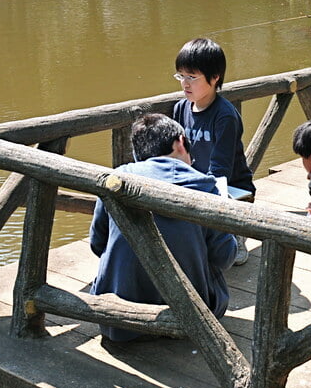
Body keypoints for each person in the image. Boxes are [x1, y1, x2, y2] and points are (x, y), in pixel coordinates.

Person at [88, 114, 237, 342]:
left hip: (119, 320)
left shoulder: (115, 179)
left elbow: (98, 244)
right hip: (191, 319)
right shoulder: (205, 187)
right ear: (179, 142)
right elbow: (224, 257)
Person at [171, 37, 254, 265]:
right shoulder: (180, 108)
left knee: (226, 255)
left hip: (232, 187)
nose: (185, 84)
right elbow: (175, 154)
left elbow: (220, 167)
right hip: (198, 183)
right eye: (181, 76)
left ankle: (236, 234)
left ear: (215, 77)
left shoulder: (224, 115)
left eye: (192, 77)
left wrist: (199, 190)